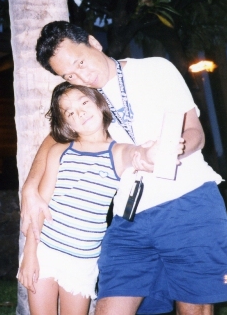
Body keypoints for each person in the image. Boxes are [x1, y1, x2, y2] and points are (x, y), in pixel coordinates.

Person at [20, 21, 227, 315]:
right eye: (69, 75)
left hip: (186, 202)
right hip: (128, 218)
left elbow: (195, 132)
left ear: (94, 42)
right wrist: (30, 187)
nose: (82, 76)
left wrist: (171, 151)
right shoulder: (85, 97)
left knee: (194, 307)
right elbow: (55, 136)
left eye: (80, 62)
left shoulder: (155, 70)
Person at [18, 82, 171, 315]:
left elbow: (134, 154)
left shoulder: (117, 151)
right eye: (69, 112)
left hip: (83, 260)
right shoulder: (59, 151)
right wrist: (30, 254)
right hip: (45, 250)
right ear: (66, 122)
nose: (79, 113)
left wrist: (149, 153)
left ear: (100, 103)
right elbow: (40, 206)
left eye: (84, 103)